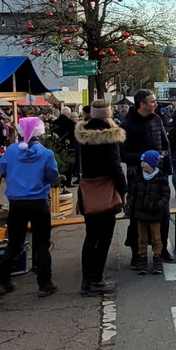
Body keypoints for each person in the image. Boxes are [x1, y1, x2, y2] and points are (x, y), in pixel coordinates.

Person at [0, 117, 59, 297]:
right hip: (38, 202)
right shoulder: (46, 153)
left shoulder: (11, 151)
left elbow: (1, 170)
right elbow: (53, 176)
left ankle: (3, 281)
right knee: (42, 243)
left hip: (16, 202)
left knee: (14, 243)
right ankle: (45, 284)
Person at [74, 100, 128, 295]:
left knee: (90, 236)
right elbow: (115, 167)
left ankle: (86, 281)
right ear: (108, 114)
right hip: (105, 190)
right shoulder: (110, 136)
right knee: (104, 238)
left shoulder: (81, 135)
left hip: (87, 191)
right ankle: (97, 279)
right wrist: (123, 190)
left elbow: (76, 164)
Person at [120, 90, 175, 268]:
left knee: (163, 214)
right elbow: (123, 153)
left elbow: (165, 144)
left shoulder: (157, 119)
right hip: (138, 177)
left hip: (159, 176)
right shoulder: (128, 125)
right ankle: (137, 254)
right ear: (141, 104)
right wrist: (144, 158)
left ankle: (162, 250)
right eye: (152, 102)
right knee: (137, 216)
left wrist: (167, 167)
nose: (155, 104)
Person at [128, 151, 170, 275]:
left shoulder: (161, 179)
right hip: (140, 214)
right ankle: (142, 258)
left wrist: (158, 206)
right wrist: (131, 206)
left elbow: (165, 195)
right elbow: (132, 194)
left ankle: (157, 257)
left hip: (154, 214)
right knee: (142, 238)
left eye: (145, 162)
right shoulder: (138, 179)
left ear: (152, 163)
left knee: (156, 237)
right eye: (142, 161)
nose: (142, 164)